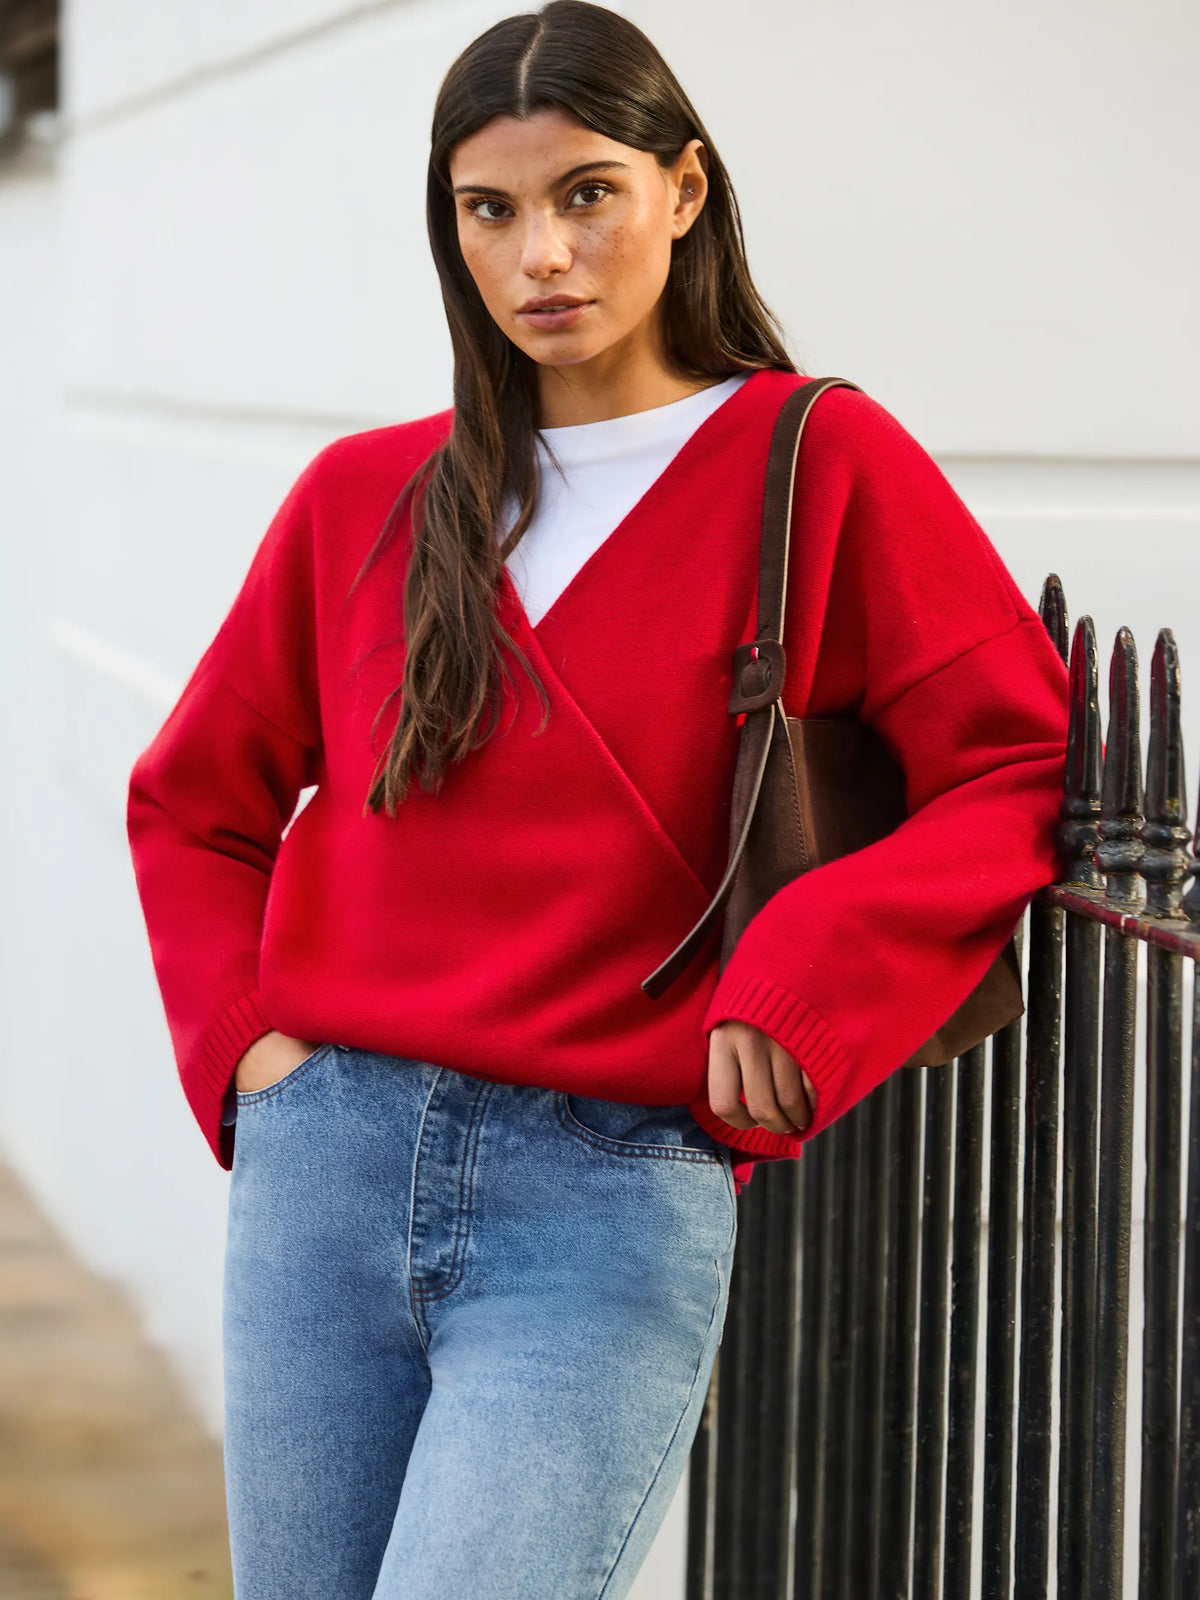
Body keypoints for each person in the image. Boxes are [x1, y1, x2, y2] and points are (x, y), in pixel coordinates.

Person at [126, 3, 1070, 1595]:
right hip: (324, 1174)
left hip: (605, 1191)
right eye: (488, 210)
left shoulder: (816, 457)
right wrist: (248, 1061)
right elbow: (194, 805)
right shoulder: (366, 495)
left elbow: (1019, 763)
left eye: (587, 194)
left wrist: (812, 971)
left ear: (684, 192)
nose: (540, 256)